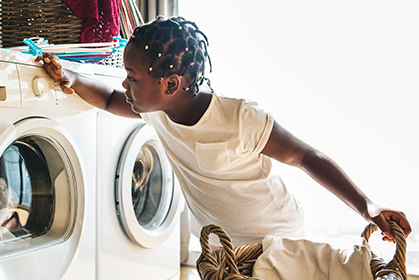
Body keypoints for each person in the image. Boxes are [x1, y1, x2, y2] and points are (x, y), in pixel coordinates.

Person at [34, 16, 411, 246]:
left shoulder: (239, 118)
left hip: (278, 239)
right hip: (223, 249)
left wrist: (368, 206)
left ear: (170, 83)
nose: (125, 84)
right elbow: (107, 99)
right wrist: (70, 76)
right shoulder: (155, 109)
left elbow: (305, 156)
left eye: (132, 76)